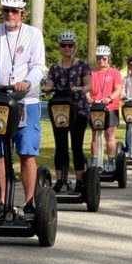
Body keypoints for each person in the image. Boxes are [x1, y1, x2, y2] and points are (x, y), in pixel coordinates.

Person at [0, 0, 45, 217]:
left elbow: (38, 66)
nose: (10, 15)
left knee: (26, 153)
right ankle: (2, 202)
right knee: (0, 154)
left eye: (14, 11)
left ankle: (28, 203)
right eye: (6, 10)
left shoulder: (33, 35)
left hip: (26, 101)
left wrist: (27, 81)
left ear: (22, 13)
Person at [43, 31, 91, 194]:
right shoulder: (55, 67)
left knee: (76, 146)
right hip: (60, 110)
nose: (67, 48)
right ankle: (60, 180)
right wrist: (48, 87)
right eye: (64, 45)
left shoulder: (82, 65)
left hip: (79, 110)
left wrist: (81, 88)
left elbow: (89, 85)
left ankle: (79, 181)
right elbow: (50, 82)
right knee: (60, 146)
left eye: (70, 45)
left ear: (74, 47)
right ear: (59, 47)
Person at [86, 45, 122, 173]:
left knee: (109, 136)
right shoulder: (92, 73)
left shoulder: (114, 73)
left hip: (110, 108)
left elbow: (118, 89)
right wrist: (88, 98)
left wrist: (110, 97)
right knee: (95, 135)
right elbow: (87, 89)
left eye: (104, 58)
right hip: (95, 108)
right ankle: (95, 161)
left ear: (109, 59)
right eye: (99, 58)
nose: (101, 61)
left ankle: (111, 161)